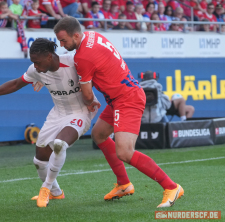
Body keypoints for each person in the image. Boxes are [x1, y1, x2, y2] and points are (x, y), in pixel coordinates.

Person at [54, 16, 184, 208]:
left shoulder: (82, 57)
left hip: (127, 99)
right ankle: (124, 184)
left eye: (64, 40)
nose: (62, 45)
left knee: (124, 152)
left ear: (75, 35)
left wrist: (89, 103)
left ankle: (171, 187)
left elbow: (88, 94)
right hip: (120, 97)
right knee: (99, 134)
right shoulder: (91, 35)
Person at [0, 38, 99, 208]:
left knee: (59, 143)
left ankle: (46, 188)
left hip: (81, 111)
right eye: (32, 62)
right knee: (39, 161)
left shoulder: (74, 62)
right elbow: (15, 84)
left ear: (49, 56)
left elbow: (98, 75)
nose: (35, 66)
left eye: (37, 61)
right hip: (57, 113)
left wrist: (96, 98)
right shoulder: (37, 70)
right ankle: (57, 193)